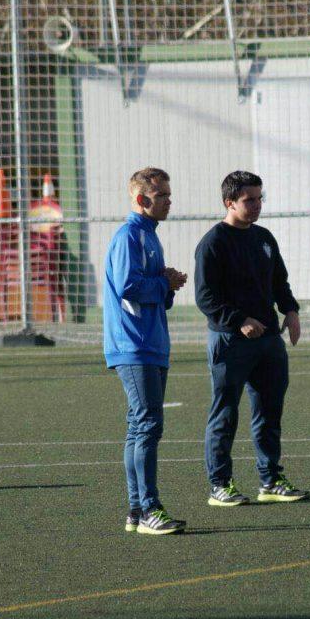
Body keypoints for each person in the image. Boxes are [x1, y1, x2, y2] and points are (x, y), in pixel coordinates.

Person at [194, 170, 310, 507]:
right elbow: (206, 298)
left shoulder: (264, 237)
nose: (257, 205)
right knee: (225, 413)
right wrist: (238, 321)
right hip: (230, 343)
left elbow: (279, 282)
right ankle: (220, 485)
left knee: (269, 411)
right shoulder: (213, 243)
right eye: (249, 200)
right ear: (230, 202)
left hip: (268, 342)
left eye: (260, 198)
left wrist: (290, 311)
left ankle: (271, 479)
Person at [103, 167, 189, 535]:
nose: (169, 200)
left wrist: (167, 285)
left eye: (169, 193)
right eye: (162, 195)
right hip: (133, 344)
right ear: (142, 200)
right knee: (147, 425)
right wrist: (162, 281)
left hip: (150, 343)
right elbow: (128, 287)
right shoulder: (129, 237)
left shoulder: (150, 237)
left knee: (140, 427)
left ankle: (137, 512)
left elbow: (151, 292)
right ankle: (150, 508)